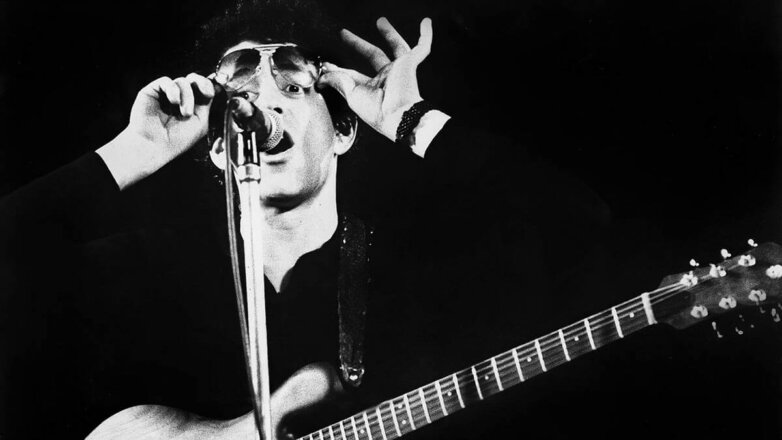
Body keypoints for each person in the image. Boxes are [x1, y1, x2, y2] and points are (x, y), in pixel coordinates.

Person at [2, 1, 777, 439]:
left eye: (294, 85)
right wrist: (131, 153)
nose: (267, 100)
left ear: (341, 130)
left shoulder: (417, 273)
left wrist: (411, 120)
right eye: (243, 85)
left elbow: (579, 223)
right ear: (215, 146)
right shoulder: (138, 278)